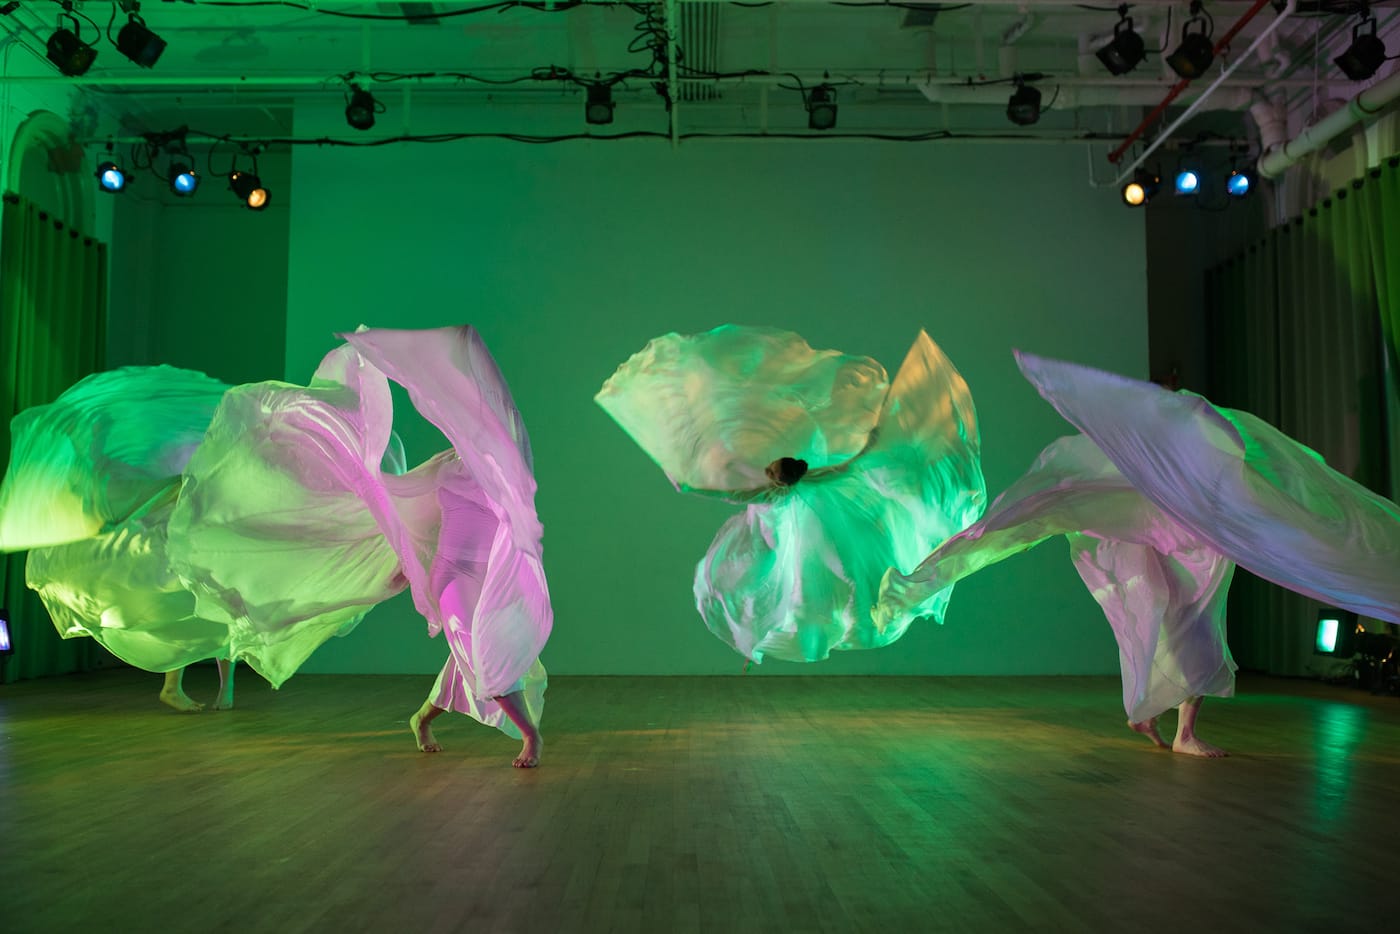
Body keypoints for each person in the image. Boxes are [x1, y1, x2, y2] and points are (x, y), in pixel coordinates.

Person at [596, 325, 985, 665]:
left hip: (807, 513)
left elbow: (826, 471)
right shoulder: (783, 481)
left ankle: (798, 624)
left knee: (823, 578)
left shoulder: (808, 473)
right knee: (802, 578)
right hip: (794, 515)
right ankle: (788, 625)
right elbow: (735, 487)